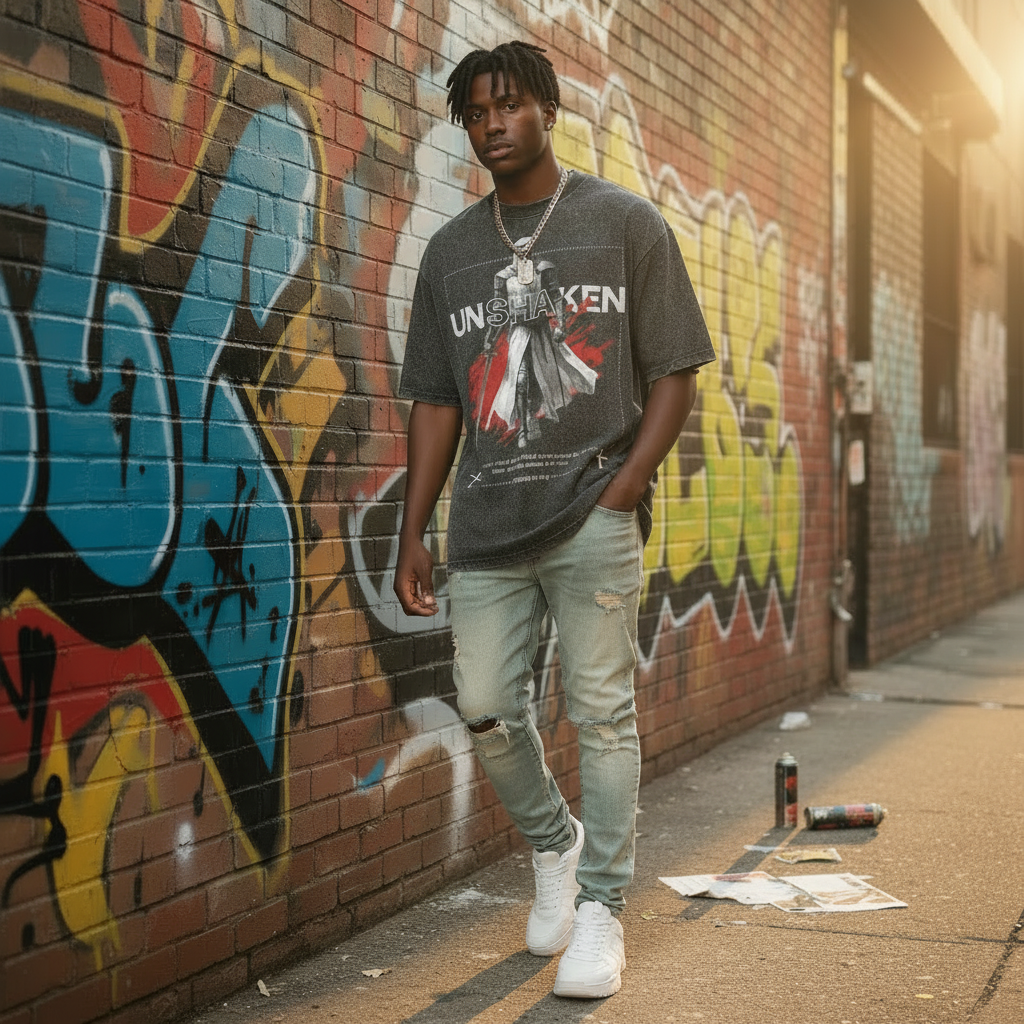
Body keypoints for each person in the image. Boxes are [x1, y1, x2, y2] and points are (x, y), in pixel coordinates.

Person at [394, 40, 714, 999]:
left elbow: (675, 371)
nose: (493, 126)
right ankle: (556, 845)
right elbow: (437, 401)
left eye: (509, 107)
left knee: (603, 715)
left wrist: (625, 486)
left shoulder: (623, 222)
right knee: (489, 706)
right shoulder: (450, 253)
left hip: (593, 514)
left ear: (547, 109)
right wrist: (413, 527)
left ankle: (604, 910)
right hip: (487, 526)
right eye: (476, 114)